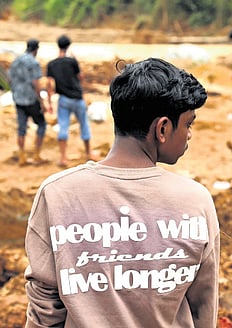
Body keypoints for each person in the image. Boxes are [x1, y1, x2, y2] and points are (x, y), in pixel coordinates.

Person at [24, 57, 220, 328]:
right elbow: (203, 306)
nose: (189, 135)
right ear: (162, 128)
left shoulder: (57, 194)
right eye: (188, 124)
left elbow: (45, 309)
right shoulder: (195, 201)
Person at [46, 35, 93, 167]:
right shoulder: (72, 61)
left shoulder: (52, 64)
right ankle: (89, 152)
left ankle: (63, 157)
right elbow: (80, 77)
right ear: (68, 45)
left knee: (63, 127)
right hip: (77, 98)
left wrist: (49, 103)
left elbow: (49, 84)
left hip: (63, 99)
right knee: (84, 124)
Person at [8, 38, 52, 166]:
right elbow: (35, 83)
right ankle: (36, 154)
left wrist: (15, 91)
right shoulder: (33, 63)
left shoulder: (16, 61)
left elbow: (10, 79)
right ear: (36, 49)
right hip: (31, 99)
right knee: (41, 124)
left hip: (18, 98)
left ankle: (22, 155)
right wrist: (42, 101)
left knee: (21, 128)